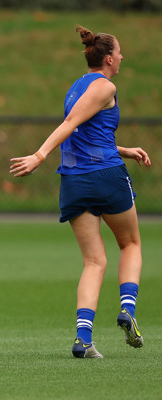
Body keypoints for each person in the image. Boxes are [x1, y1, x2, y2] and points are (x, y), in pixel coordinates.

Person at [10, 26, 151, 358]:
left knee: (93, 261)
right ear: (107, 58)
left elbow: (86, 134)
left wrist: (124, 149)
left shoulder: (75, 87)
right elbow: (72, 123)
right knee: (130, 243)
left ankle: (83, 339)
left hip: (74, 180)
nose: (122, 57)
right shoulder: (106, 86)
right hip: (105, 176)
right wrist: (39, 155)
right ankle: (128, 308)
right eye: (119, 53)